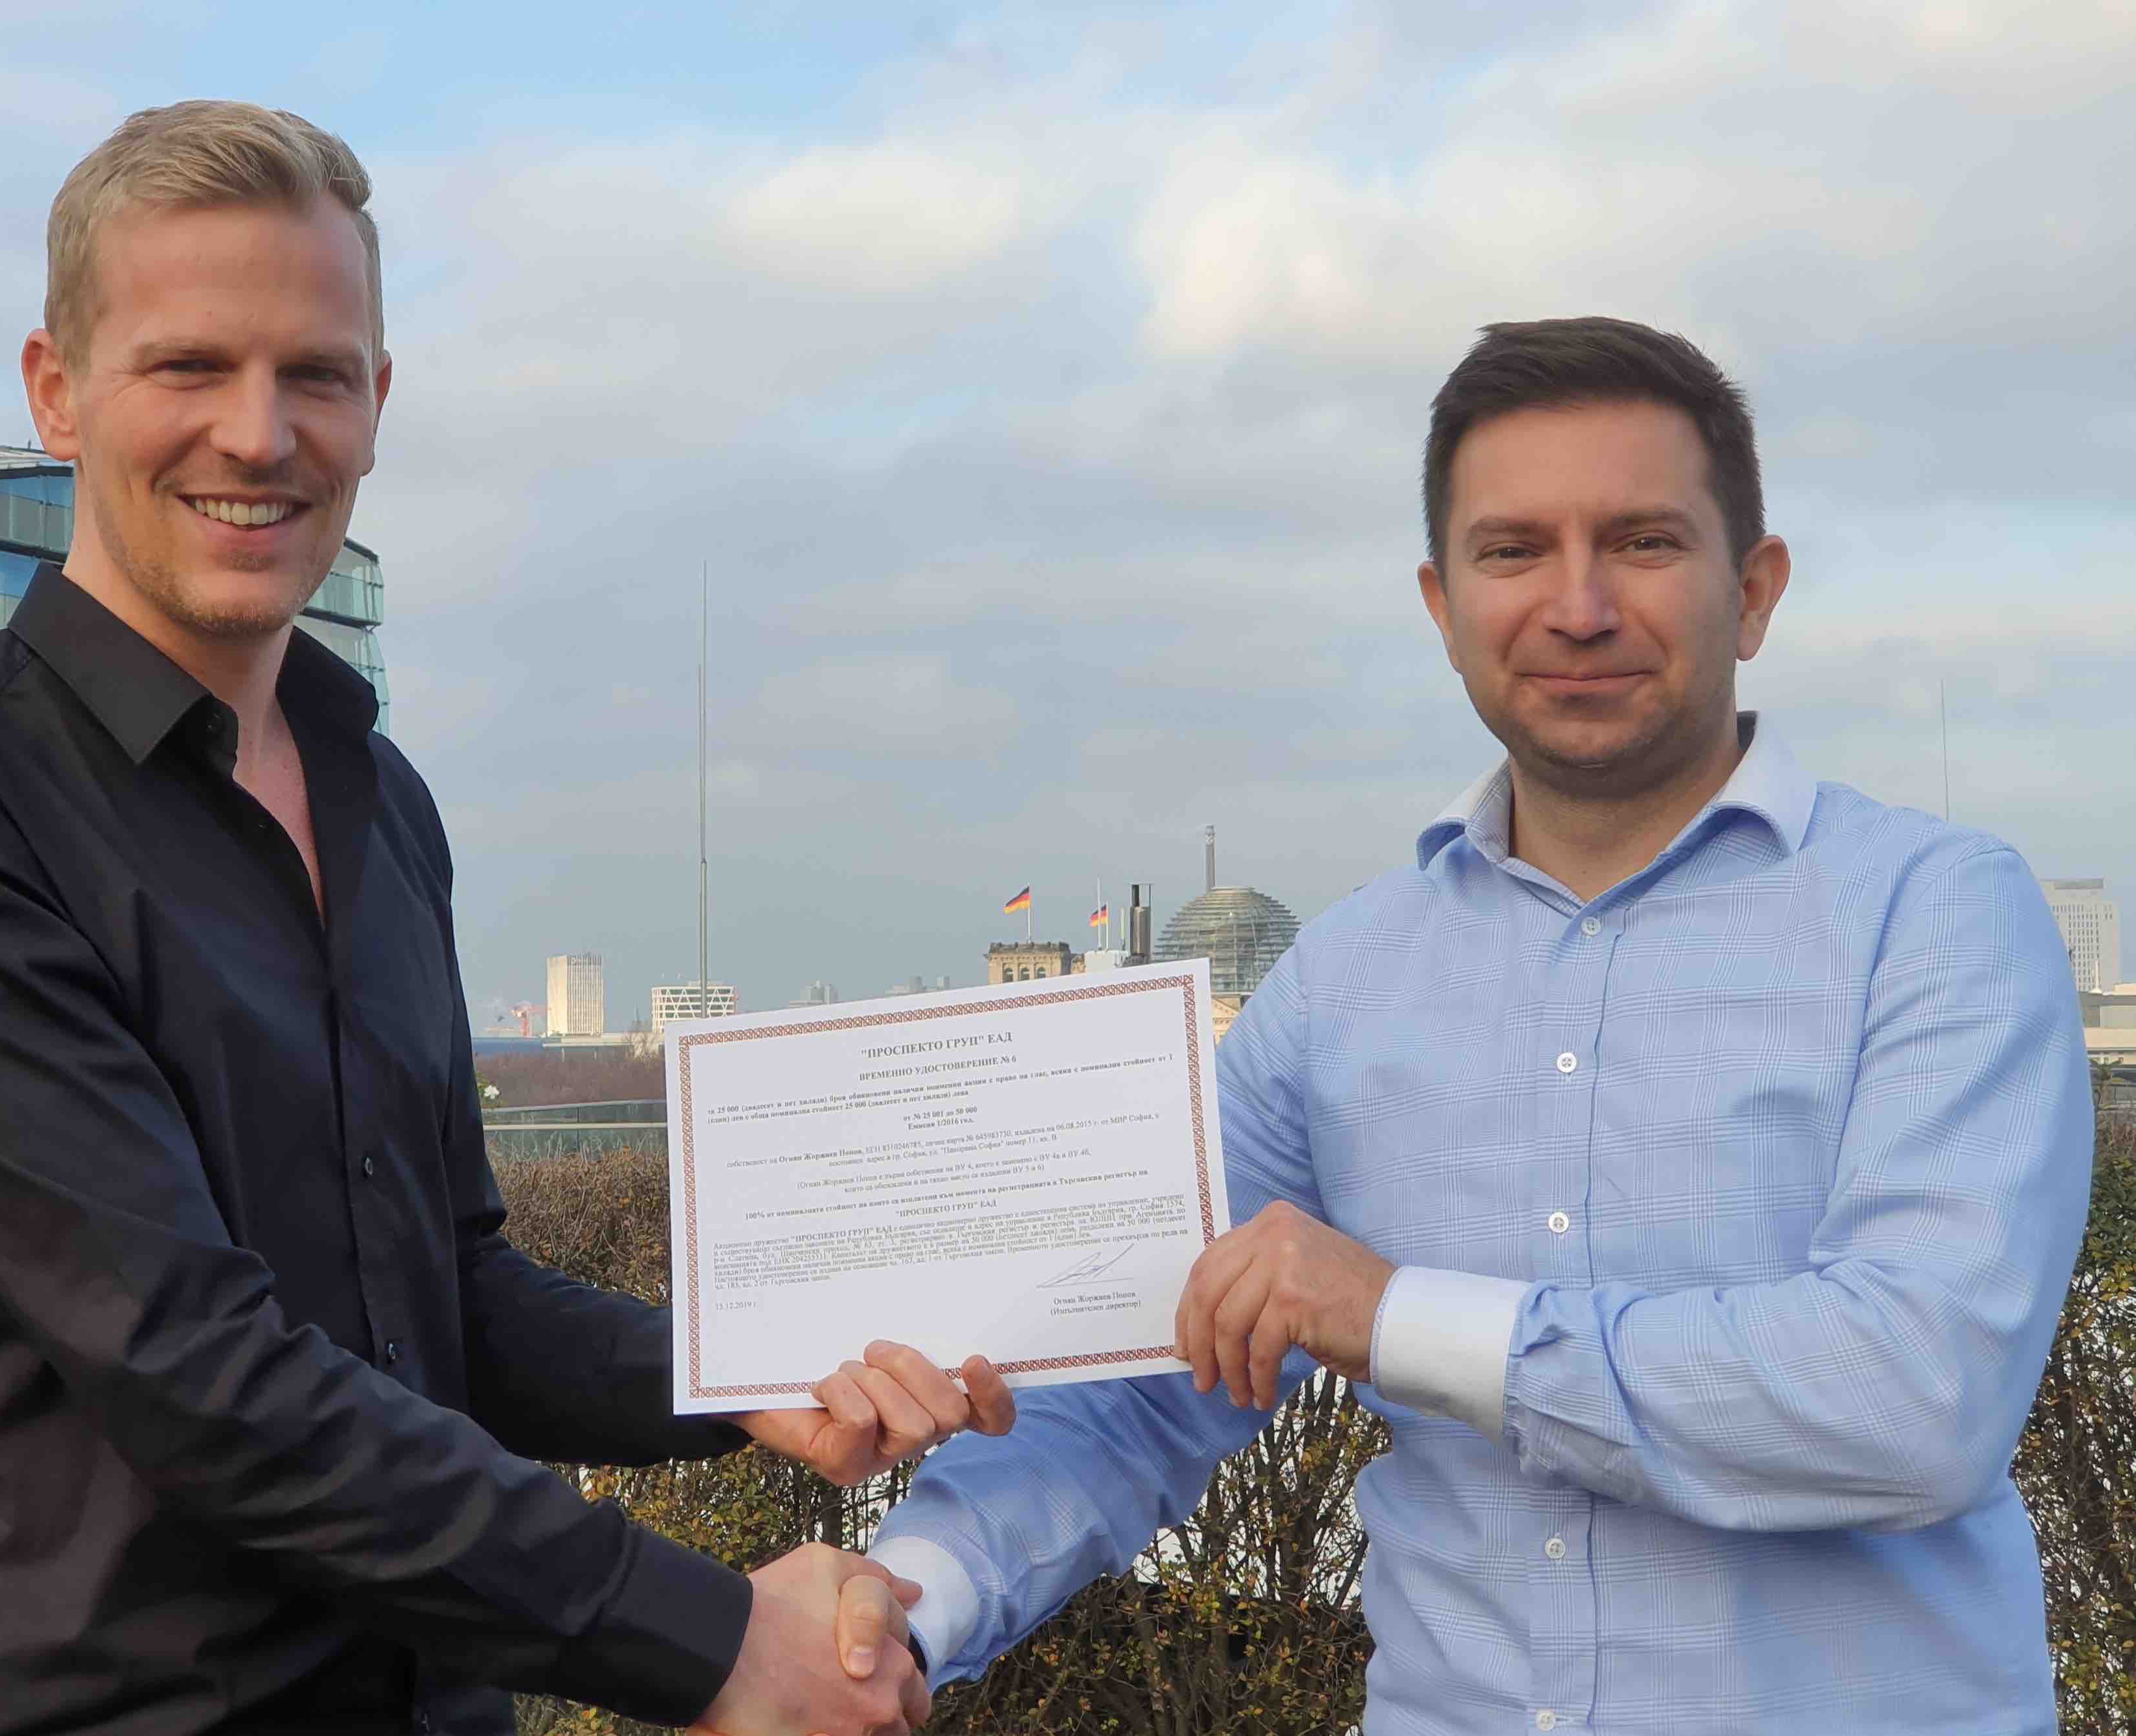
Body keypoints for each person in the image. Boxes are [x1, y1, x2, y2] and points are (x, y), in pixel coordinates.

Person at [0, 101, 1011, 1736]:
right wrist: (715, 1636)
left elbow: (444, 1295)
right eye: (188, 366)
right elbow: (191, 1366)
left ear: (376, 400)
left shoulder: (379, 797)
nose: (258, 434)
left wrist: (751, 1372)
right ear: (56, 390)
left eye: (314, 374)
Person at [859, 317, 2094, 1733]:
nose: (1577, 606)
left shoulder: (1935, 915)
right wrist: (905, 1598)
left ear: (1753, 592)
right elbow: (1145, 1375)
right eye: (1513, 552)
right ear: (1443, 608)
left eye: (1640, 542)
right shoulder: (1342, 977)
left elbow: (1916, 1393)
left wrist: (1399, 1319)